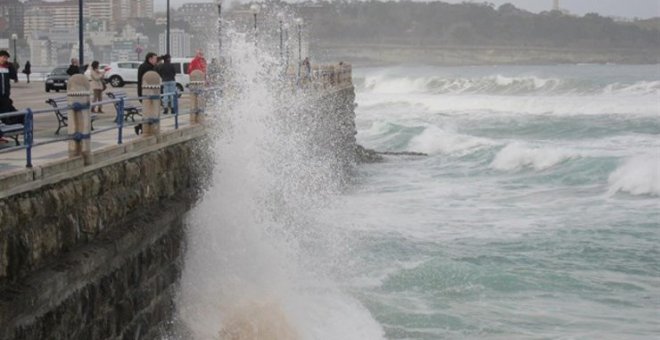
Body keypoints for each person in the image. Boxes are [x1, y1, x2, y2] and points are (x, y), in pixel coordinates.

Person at [135, 52, 158, 135]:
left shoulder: (145, 66)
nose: (156, 60)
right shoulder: (147, 67)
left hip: (144, 91)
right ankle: (142, 127)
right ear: (150, 59)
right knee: (148, 111)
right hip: (146, 92)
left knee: (148, 111)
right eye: (155, 59)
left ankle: (142, 127)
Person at [0, 50, 19, 143]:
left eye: (6, 58)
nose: (5, 59)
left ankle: (1, 135)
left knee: (5, 116)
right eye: (3, 57)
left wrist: (11, 67)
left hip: (5, 96)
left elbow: (13, 77)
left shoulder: (7, 67)